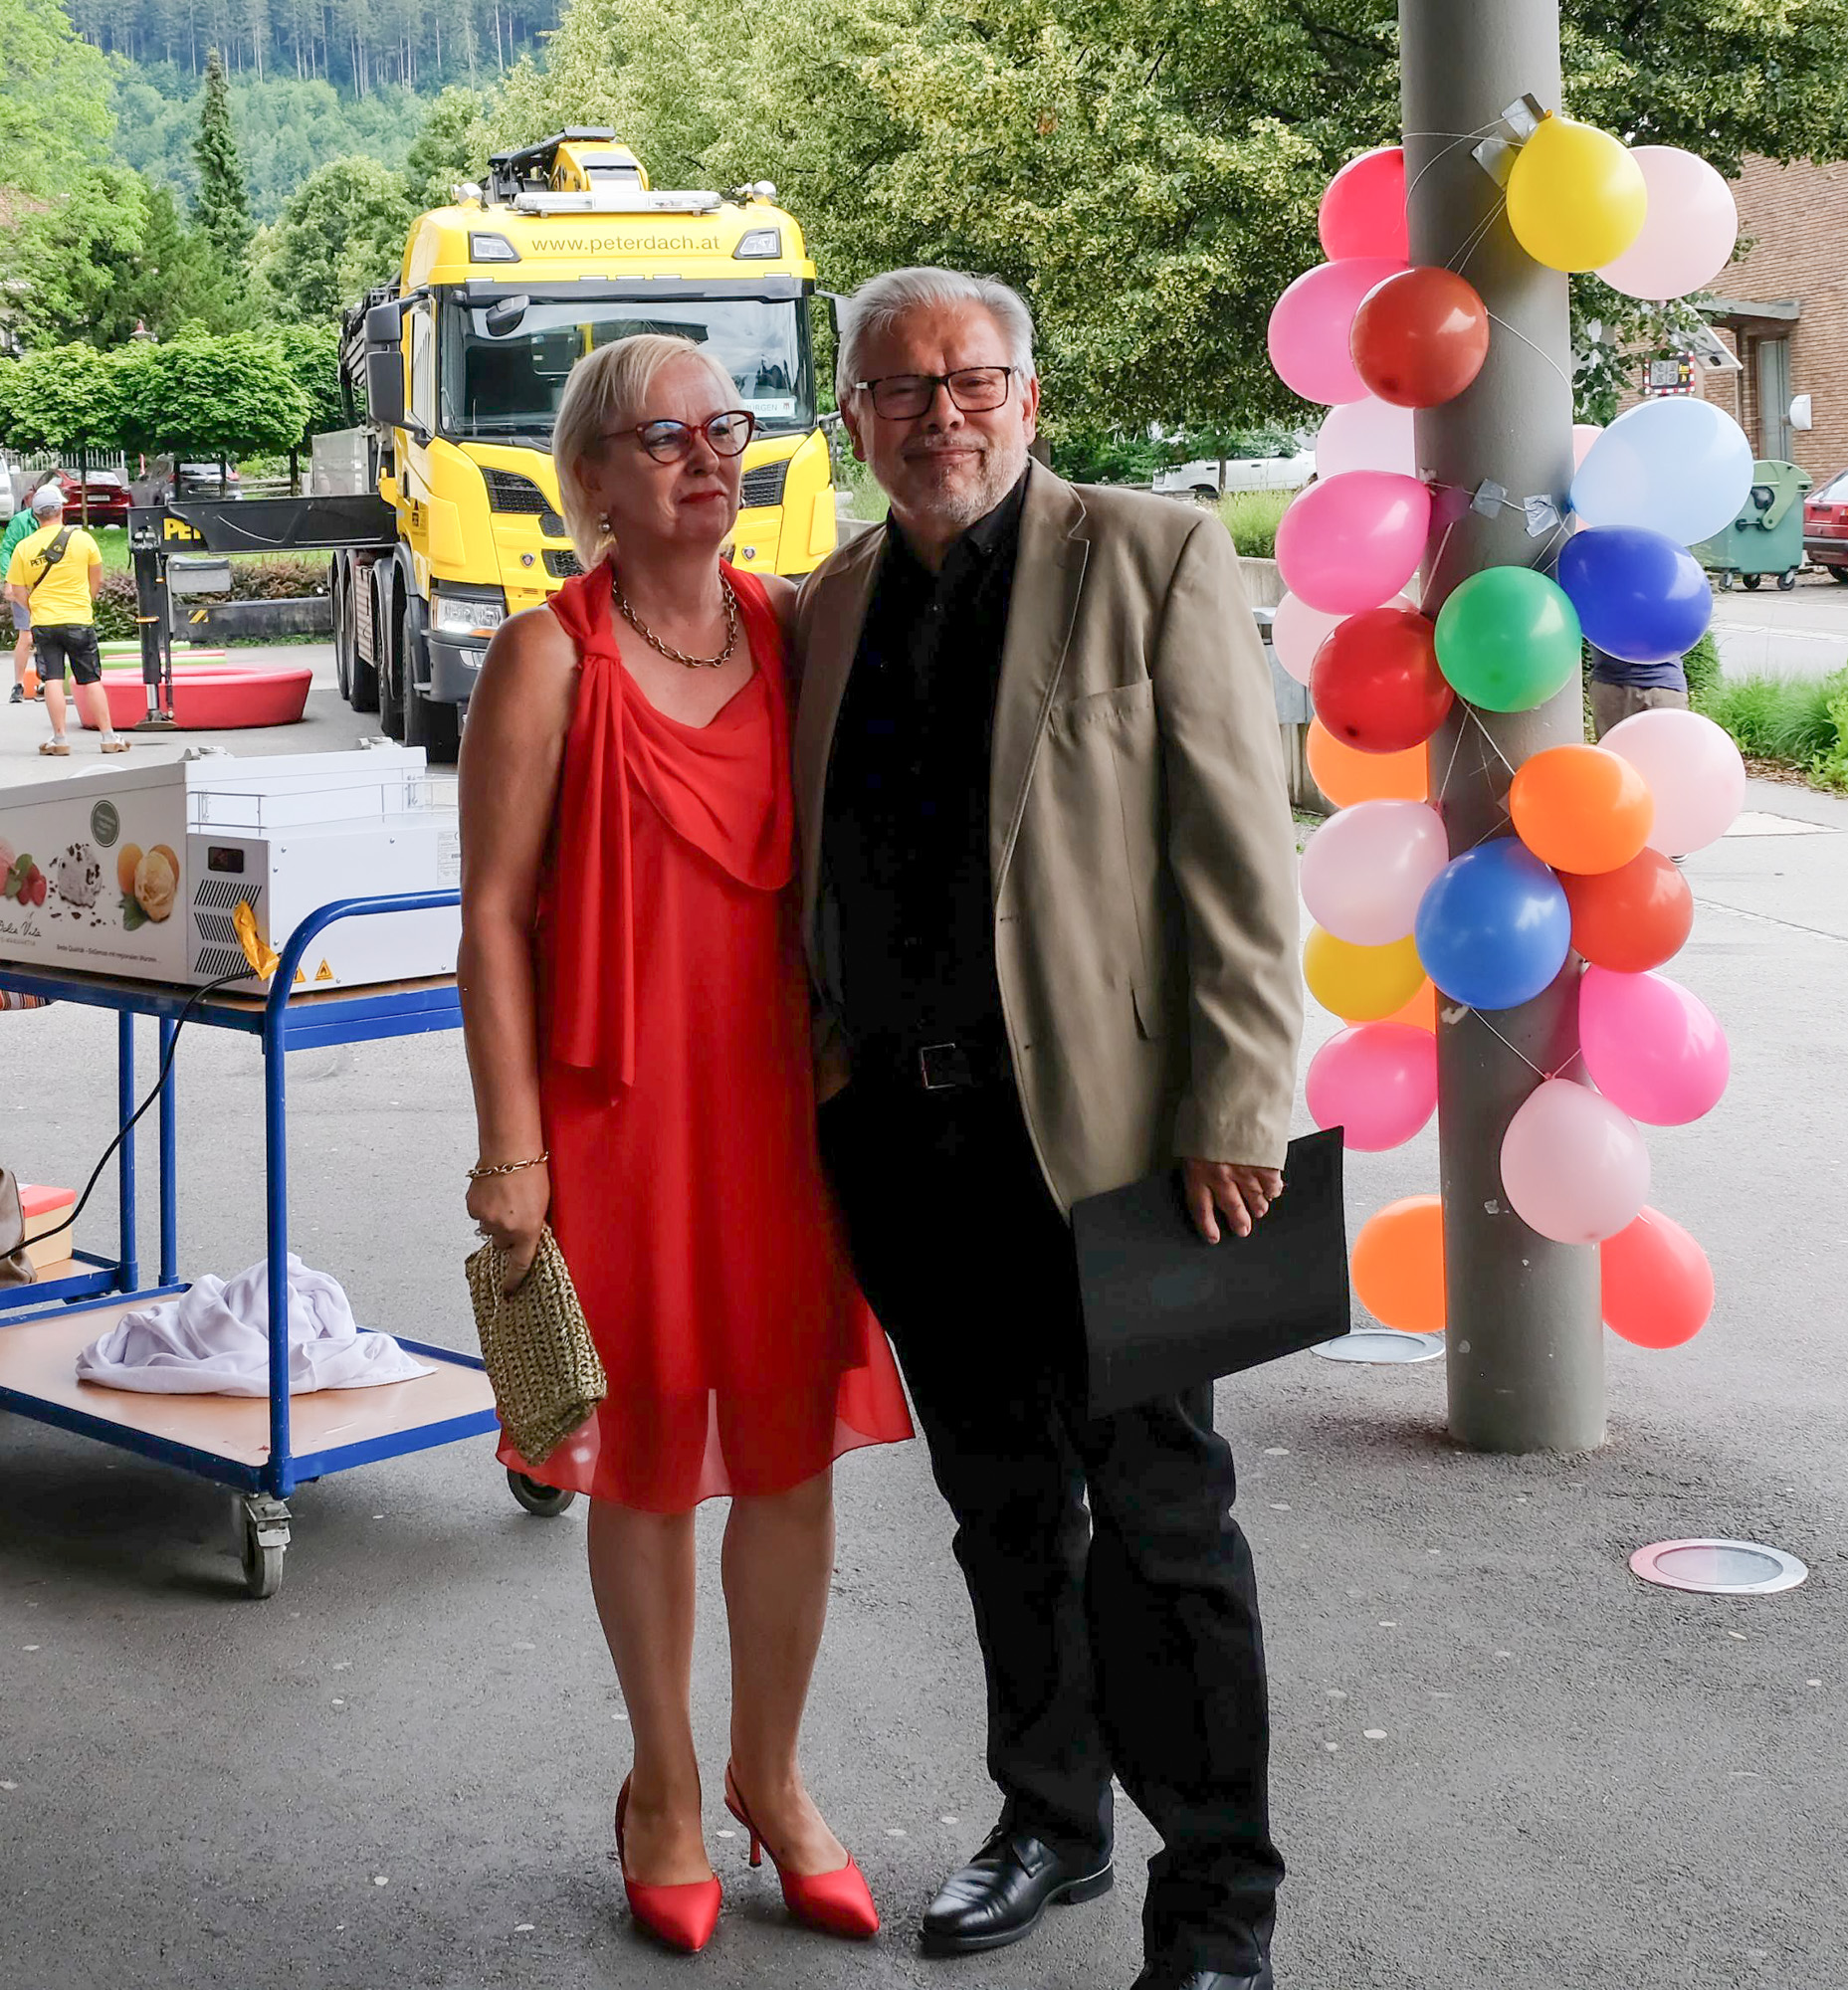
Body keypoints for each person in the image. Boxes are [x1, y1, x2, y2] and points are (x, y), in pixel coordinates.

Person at [790, 269, 1303, 1990]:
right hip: (909, 1151)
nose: (940, 414)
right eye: (900, 387)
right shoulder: (831, 601)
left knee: (1166, 1528)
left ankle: (1218, 1907)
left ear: (1029, 395)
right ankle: (1049, 1819)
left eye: (972, 380)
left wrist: (1240, 1100)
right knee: (1002, 1513)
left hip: (1124, 1152)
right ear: (853, 418)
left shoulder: (1152, 554)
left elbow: (1238, 859)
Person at [457, 333, 914, 1956]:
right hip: (616, 1115)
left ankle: (770, 1780)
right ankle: (661, 1789)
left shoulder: (792, 627)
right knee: (648, 1462)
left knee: (786, 1458)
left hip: (785, 1108)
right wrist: (511, 1150)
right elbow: (492, 920)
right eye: (666, 437)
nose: (708, 457)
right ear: (592, 476)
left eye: (726, 426)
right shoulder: (546, 658)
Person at [4, 489, 122, 755]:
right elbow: (96, 578)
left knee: (53, 679)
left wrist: (35, 607)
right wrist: (85, 601)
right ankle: (108, 737)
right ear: (61, 509)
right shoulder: (83, 540)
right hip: (79, 619)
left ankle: (60, 739)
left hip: (44, 622)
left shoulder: (24, 548)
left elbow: (17, 590)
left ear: (35, 515)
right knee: (91, 679)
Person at [0, 484, 61, 704]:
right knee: (27, 636)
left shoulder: (59, 523)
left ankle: (46, 680)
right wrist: (9, 580)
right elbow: (7, 550)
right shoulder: (20, 522)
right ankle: (19, 684)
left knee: (49, 634)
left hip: (49, 585)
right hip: (25, 584)